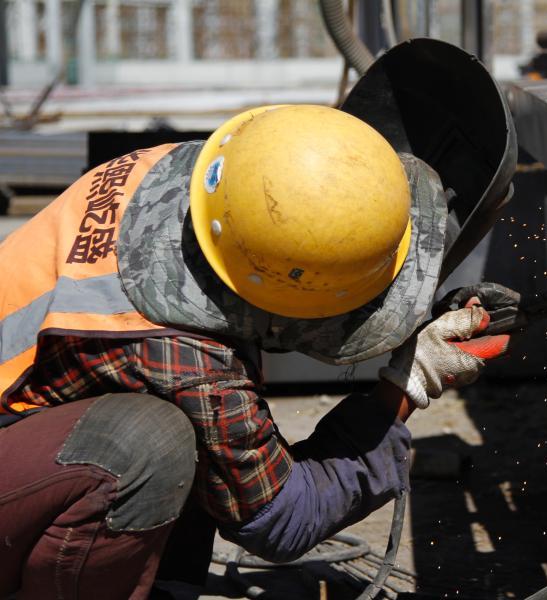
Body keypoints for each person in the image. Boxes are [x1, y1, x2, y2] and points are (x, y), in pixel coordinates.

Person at [0, 103, 511, 599]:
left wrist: (420, 311)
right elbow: (281, 518)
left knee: (188, 430)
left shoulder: (204, 177)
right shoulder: (181, 354)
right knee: (146, 444)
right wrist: (409, 383)